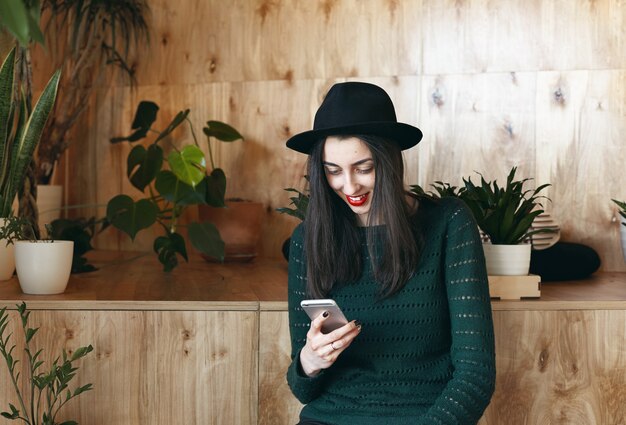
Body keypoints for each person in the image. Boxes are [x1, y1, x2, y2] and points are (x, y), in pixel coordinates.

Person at [284, 81, 496, 425]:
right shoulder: (307, 239)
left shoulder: (448, 224)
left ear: (389, 160)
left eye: (363, 168)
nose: (349, 186)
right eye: (333, 171)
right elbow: (302, 390)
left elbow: (475, 376)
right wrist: (311, 360)